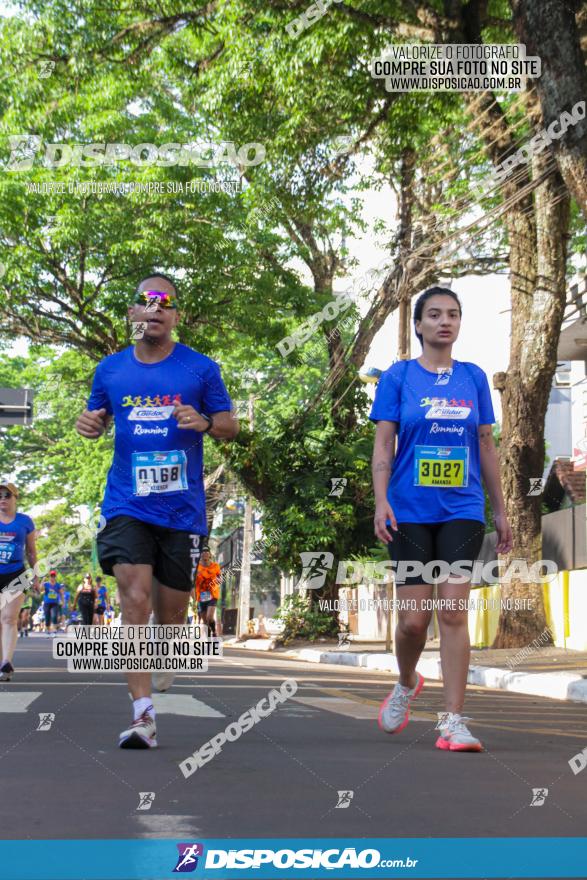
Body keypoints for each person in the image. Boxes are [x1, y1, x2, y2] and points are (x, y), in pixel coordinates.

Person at [75, 273, 238, 749]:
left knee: (171, 613)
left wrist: (206, 422)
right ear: (133, 314)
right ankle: (142, 716)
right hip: (126, 501)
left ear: (175, 315)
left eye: (164, 303)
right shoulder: (110, 370)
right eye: (146, 302)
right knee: (134, 599)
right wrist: (89, 423)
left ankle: (167, 651)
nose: (155, 310)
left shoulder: (200, 369)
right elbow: (97, 418)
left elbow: (229, 424)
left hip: (182, 509)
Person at [370, 286, 513, 753]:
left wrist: (501, 509)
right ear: (418, 325)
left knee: (452, 610)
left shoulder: (472, 379)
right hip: (408, 511)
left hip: (462, 508)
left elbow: (487, 446)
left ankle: (453, 721)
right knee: (413, 623)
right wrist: (381, 501)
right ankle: (407, 681)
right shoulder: (397, 378)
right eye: (433, 315)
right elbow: (383, 448)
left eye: (452, 314)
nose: (443, 322)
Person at [0, 481, 39, 680]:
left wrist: (37, 576)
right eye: (0, 496)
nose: (2, 499)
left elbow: (32, 552)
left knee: (8, 618)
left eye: (7, 495)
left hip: (16, 573)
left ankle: (6, 662)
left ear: (15, 498)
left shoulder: (25, 521)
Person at [194, 547, 221, 638]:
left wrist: (216, 583)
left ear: (210, 554)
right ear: (200, 554)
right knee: (205, 621)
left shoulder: (215, 566)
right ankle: (209, 641)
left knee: (209, 617)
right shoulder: (196, 567)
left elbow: (220, 578)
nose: (205, 553)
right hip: (201, 596)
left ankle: (214, 633)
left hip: (212, 595)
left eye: (207, 551)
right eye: (203, 551)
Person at [42, 570, 63, 636]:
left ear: (55, 577)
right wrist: (43, 580)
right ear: (49, 577)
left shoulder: (58, 585)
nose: (52, 577)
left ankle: (54, 631)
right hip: (47, 603)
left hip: (55, 603)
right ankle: (48, 631)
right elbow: (40, 589)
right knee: (47, 617)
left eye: (54, 576)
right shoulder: (46, 584)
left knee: (54, 616)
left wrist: (63, 602)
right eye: (51, 576)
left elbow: (61, 594)